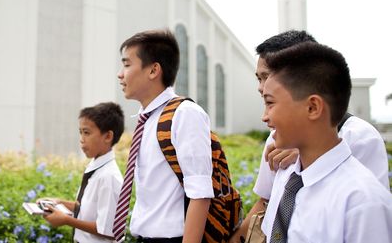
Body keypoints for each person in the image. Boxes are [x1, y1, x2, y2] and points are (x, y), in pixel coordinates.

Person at [230, 30, 389, 243]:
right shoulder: (280, 138)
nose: (261, 87)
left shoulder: (362, 195)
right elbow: (267, 207)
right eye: (260, 79)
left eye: (267, 79)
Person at [114, 29, 213, 242]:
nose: (120, 74)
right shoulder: (146, 118)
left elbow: (200, 193)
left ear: (153, 70)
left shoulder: (184, 114)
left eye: (127, 64)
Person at [39, 102, 125, 243]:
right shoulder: (95, 167)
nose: (81, 139)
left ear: (108, 136)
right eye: (80, 132)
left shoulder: (109, 177)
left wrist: (67, 220)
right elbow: (87, 210)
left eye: (87, 133)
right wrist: (58, 203)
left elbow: (109, 230)